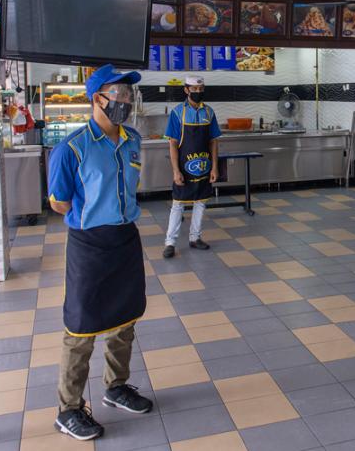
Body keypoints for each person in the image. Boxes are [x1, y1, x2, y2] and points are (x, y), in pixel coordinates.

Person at [47, 64, 153, 441]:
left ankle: (116, 386)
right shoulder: (71, 148)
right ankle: (69, 409)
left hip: (125, 239)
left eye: (129, 94)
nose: (126, 101)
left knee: (125, 319)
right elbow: (59, 202)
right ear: (98, 98)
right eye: (119, 94)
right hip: (89, 244)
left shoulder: (133, 139)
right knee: (81, 326)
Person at [163, 75, 220, 258]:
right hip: (183, 167)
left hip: (203, 166)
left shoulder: (209, 112)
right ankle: (170, 242)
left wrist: (215, 167)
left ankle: (195, 238)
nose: (198, 92)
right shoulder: (177, 113)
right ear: (186, 90)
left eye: (201, 89)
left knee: (201, 202)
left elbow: (213, 141)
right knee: (178, 204)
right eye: (194, 89)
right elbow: (173, 143)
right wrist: (176, 171)